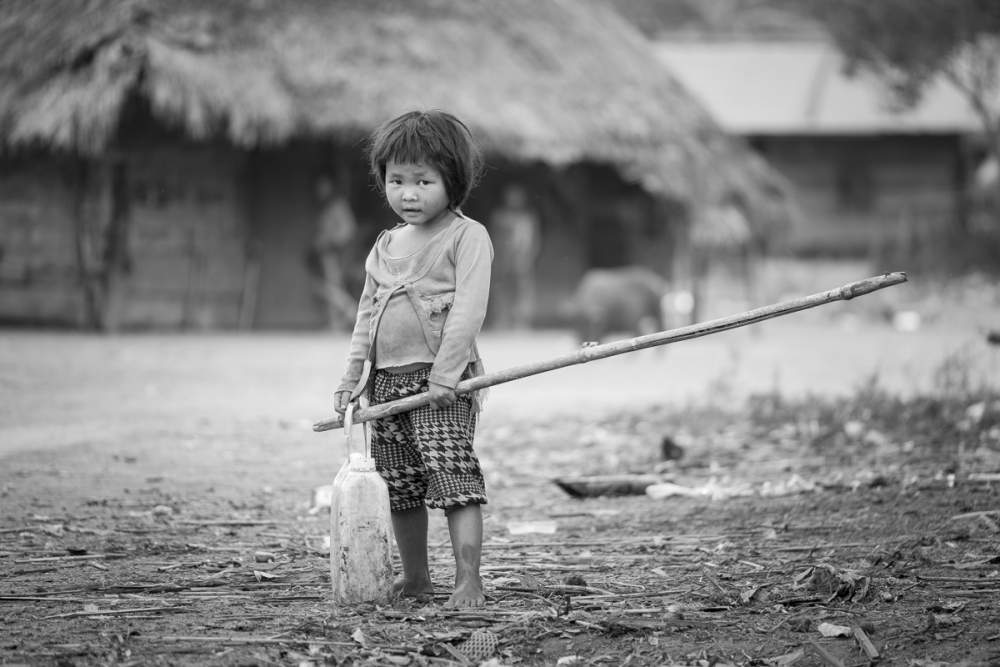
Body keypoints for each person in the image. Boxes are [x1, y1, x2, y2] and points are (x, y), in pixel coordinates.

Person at [333, 110, 493, 608]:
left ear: (453, 182)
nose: (408, 193)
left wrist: (446, 376)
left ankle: (469, 580)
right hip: (388, 386)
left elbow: (468, 310)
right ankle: (417, 577)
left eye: (424, 181)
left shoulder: (467, 237)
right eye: (396, 180)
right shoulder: (384, 245)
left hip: (441, 385)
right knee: (399, 484)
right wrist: (353, 377)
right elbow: (365, 314)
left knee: (454, 478)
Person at [489, 184, 541, 329]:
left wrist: (530, 257)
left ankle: (522, 322)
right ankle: (501, 320)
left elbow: (535, 240)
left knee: (523, 292)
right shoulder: (499, 216)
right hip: (503, 260)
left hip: (523, 261)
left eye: (517, 197)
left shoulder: (528, 217)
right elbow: (494, 238)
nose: (514, 200)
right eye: (511, 197)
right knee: (501, 291)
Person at [312, 175, 359, 330]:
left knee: (332, 288)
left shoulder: (338, 206)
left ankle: (354, 315)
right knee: (329, 287)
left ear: (330, 186)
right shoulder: (326, 207)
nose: (320, 190)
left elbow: (347, 230)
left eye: (323, 185)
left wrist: (332, 242)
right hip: (327, 253)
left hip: (337, 253)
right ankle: (336, 324)